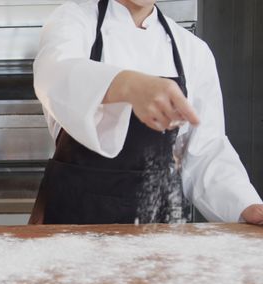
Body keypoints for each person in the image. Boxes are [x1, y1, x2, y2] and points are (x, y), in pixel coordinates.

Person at [31, 0, 263, 225]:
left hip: (152, 228)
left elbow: (205, 151)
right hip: (69, 223)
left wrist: (245, 205)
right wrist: (128, 85)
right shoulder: (74, 20)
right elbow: (53, 75)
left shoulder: (192, 50)